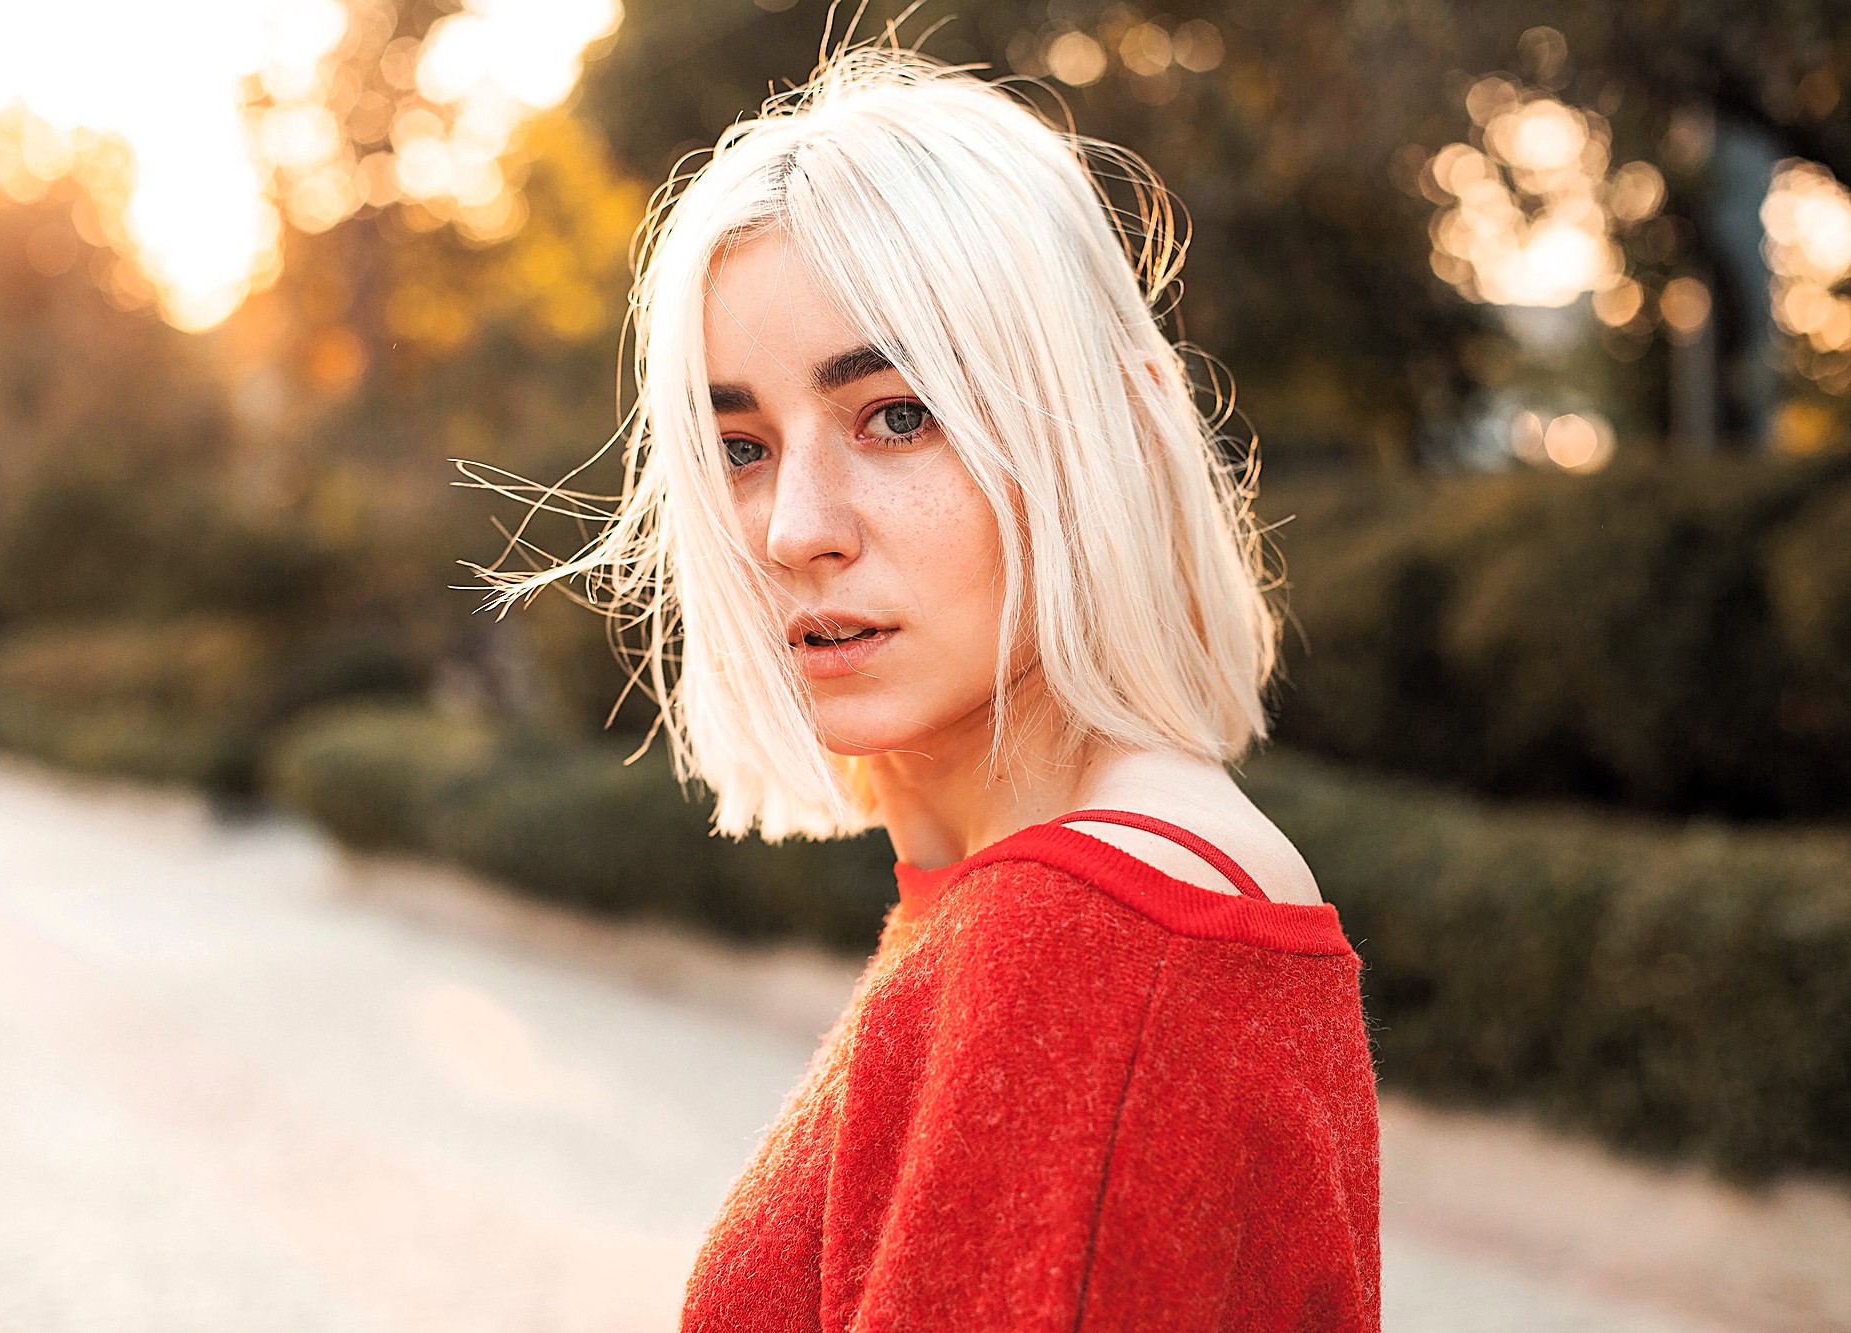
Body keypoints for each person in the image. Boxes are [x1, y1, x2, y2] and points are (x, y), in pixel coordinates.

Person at [485, 39, 1380, 1333]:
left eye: (895, 414)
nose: (794, 526)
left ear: (1104, 432)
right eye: (738, 444)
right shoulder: (1085, 891)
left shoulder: (1089, 928)